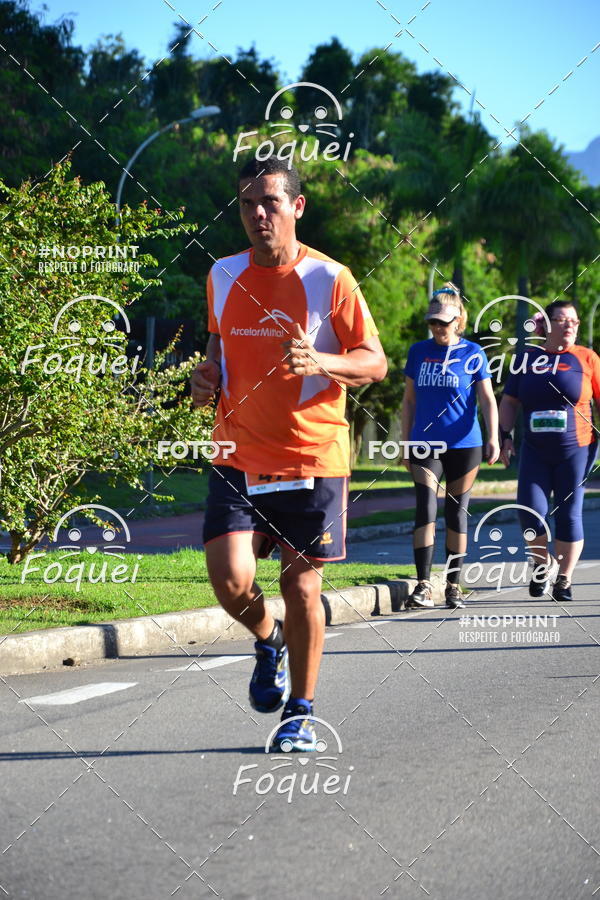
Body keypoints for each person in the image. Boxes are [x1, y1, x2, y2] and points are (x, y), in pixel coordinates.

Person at [191, 157, 387, 750]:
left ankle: (300, 712)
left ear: (296, 207)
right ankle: (268, 638)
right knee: (229, 580)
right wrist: (205, 378)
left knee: (302, 587)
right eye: (248, 203)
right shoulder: (222, 274)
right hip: (236, 451)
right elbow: (216, 350)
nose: (257, 214)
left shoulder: (332, 279)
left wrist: (322, 362)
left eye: (270, 202)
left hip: (312, 455)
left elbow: (373, 362)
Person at [402, 284, 500, 609]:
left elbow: (487, 399)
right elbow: (409, 401)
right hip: (424, 443)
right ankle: (422, 585)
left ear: (458, 320)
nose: (437, 328)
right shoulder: (418, 351)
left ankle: (453, 586)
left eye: (443, 322)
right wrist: (405, 442)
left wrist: (494, 437)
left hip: (465, 444)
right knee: (425, 508)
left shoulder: (473, 353)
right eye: (433, 322)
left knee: (456, 513)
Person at [499, 300, 600, 602]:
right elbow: (509, 401)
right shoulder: (528, 358)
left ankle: (565, 580)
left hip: (577, 449)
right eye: (562, 320)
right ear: (547, 324)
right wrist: (505, 436)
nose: (570, 325)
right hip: (535, 450)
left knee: (569, 514)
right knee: (531, 512)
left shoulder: (587, 358)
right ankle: (542, 565)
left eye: (575, 321)